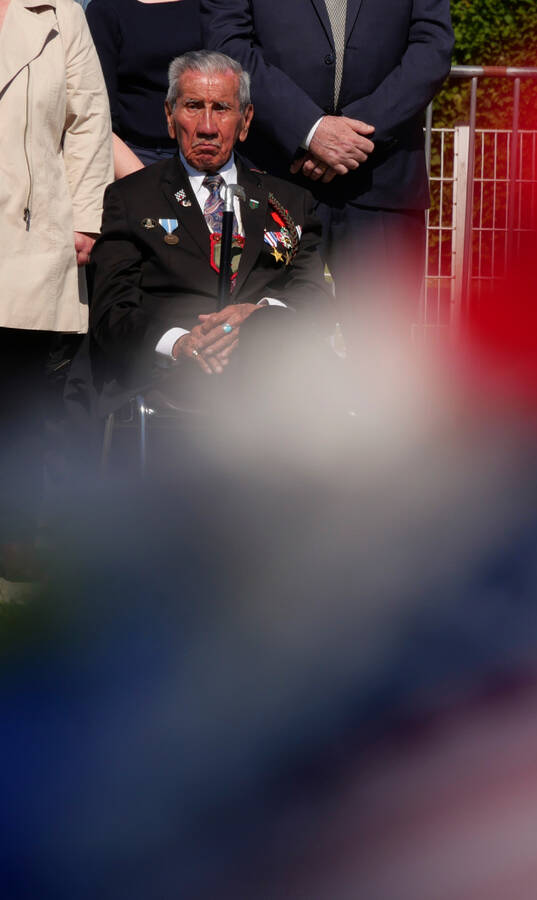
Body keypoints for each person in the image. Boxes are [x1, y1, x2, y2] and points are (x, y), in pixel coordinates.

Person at [87, 49, 333, 412]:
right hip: (169, 385)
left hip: (274, 389)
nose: (206, 126)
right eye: (192, 106)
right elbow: (111, 310)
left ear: (245, 121)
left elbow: (314, 299)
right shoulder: (131, 198)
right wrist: (179, 343)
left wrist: (259, 314)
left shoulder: (289, 202)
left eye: (221, 108)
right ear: (170, 117)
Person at [200, 0, 453, 344]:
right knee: (266, 354)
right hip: (273, 177)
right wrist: (308, 129)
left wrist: (354, 137)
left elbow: (432, 49)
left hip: (382, 181)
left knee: (382, 353)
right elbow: (228, 42)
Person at [0, 0, 111, 577]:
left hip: (31, 233)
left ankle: (14, 530)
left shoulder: (60, 11)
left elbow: (89, 118)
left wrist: (85, 215)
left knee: (24, 391)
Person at [85, 0, 204, 173]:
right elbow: (99, 116)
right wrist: (144, 186)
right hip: (140, 154)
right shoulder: (106, 9)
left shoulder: (216, 6)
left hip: (212, 149)